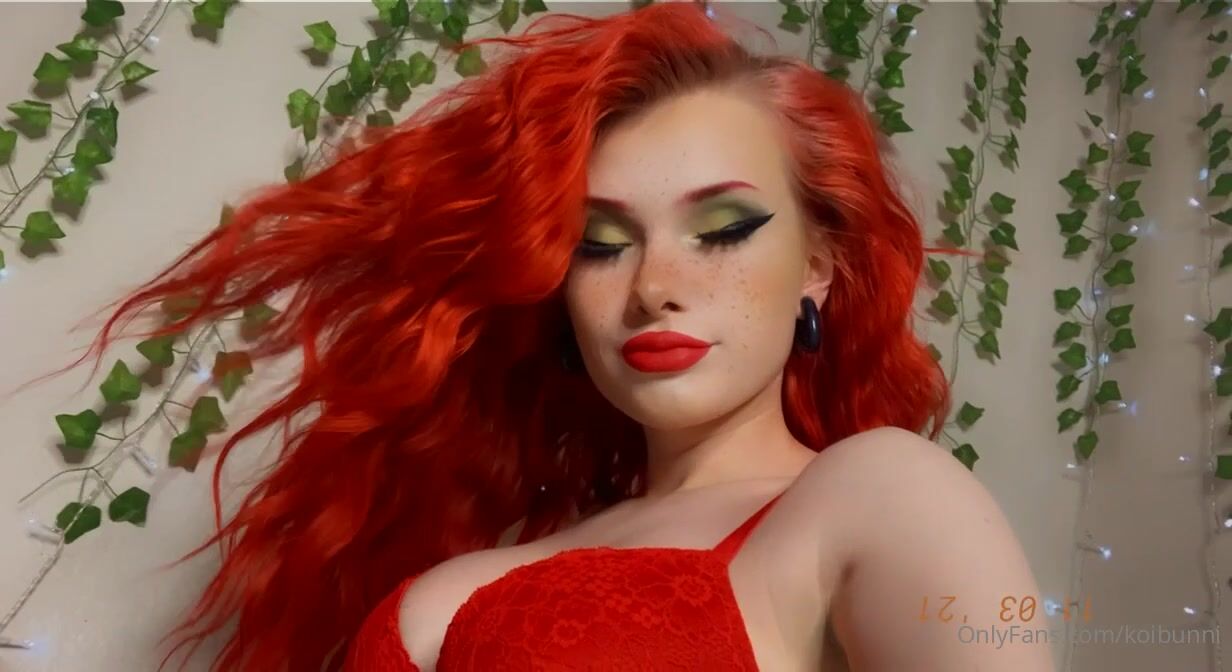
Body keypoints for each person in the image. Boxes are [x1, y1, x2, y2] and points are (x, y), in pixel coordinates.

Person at [71, 2, 1051, 670]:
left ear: (818, 267)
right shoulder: (454, 585)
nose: (653, 288)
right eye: (599, 244)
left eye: (720, 231)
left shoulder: (878, 494)